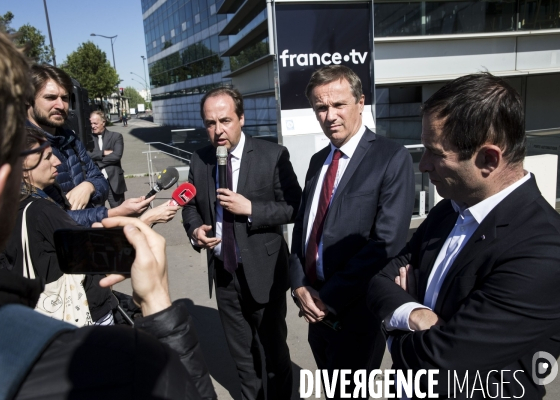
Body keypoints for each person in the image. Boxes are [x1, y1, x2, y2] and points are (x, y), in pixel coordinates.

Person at [0, 12, 216, 399]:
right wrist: (158, 305)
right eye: (51, 97)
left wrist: (94, 194)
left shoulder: (68, 141)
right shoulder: (110, 366)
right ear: (0, 180)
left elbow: (97, 179)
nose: (56, 161)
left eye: (66, 97)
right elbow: (68, 231)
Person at [367, 72, 560, 399]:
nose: (423, 165)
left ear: (488, 159)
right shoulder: (448, 209)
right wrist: (414, 315)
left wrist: (391, 326)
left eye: (436, 153)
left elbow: (441, 363)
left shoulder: (542, 250)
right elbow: (380, 280)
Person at [289, 65, 415, 397]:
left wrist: (326, 298)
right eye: (321, 107)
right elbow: (302, 231)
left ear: (361, 102)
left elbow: (386, 243)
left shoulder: (391, 157)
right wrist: (298, 285)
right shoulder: (318, 161)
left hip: (356, 314)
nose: (329, 115)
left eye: (338, 105)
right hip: (314, 310)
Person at [182, 87, 302, 399]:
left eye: (225, 120)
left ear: (242, 118)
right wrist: (195, 230)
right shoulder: (200, 160)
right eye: (210, 123)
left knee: (274, 355)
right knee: (243, 359)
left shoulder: (272, 155)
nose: (218, 130)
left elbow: (294, 206)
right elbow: (190, 206)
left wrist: (251, 209)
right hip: (224, 272)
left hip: (264, 272)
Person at [26, 63, 178, 227]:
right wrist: (117, 213)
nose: (61, 105)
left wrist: (88, 186)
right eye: (50, 98)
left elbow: (100, 181)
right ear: (28, 100)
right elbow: (53, 219)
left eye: (64, 98)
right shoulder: (21, 150)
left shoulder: (70, 138)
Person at [0, 128, 117, 325]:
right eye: (47, 157)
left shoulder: (3, 206)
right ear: (24, 164)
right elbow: (97, 252)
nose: (57, 162)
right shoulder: (41, 210)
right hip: (82, 313)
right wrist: (144, 222)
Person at [88, 110, 127, 208]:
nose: (93, 126)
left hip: (114, 182)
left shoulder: (116, 136)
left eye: (95, 123)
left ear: (103, 122)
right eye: (91, 123)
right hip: (96, 182)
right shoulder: (88, 139)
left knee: (120, 214)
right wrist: (103, 153)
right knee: (98, 216)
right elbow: (86, 154)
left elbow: (117, 156)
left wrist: (97, 161)